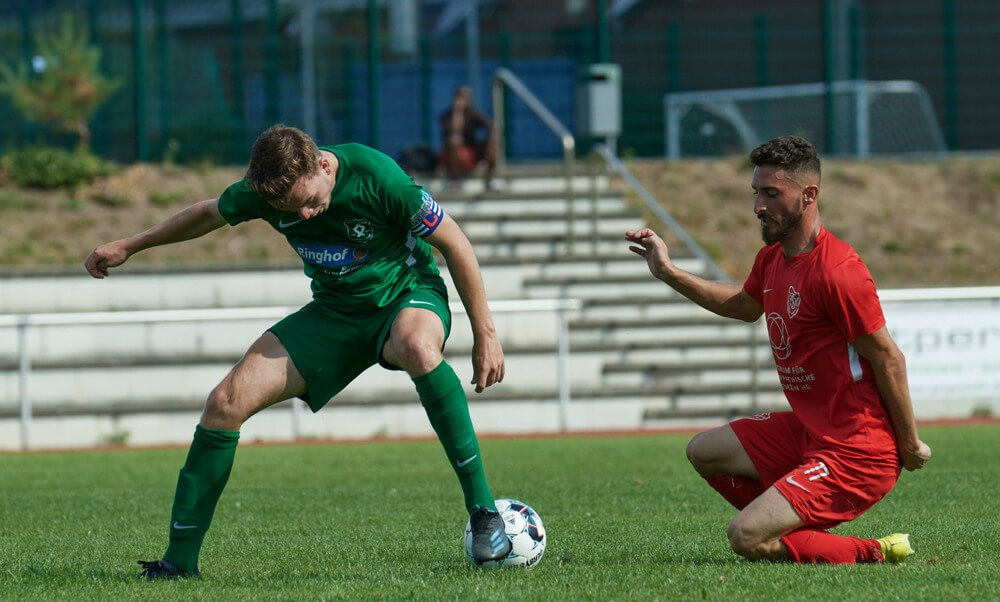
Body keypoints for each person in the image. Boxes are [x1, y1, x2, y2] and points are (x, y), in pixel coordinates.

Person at [84, 124, 513, 579]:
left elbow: (456, 243)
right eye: (291, 209)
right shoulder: (265, 192)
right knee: (224, 404)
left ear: (324, 165)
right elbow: (208, 214)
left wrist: (486, 334)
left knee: (416, 346)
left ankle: (484, 513)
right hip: (334, 311)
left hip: (406, 293)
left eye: (310, 201)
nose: (306, 216)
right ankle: (178, 563)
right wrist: (130, 245)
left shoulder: (379, 177)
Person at [625, 135, 931, 565]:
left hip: (857, 450)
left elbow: (887, 358)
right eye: (756, 193)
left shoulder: (838, 272)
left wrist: (911, 443)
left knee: (745, 537)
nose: (757, 206)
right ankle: (794, 529)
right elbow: (742, 306)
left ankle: (873, 550)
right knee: (704, 451)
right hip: (811, 434)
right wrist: (669, 272)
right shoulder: (772, 259)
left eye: (771, 193)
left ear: (809, 195)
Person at [438, 85, 496, 190]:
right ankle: (453, 180)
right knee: (455, 140)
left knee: (493, 139)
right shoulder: (447, 115)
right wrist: (458, 113)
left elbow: (490, 126)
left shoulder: (473, 113)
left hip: (472, 153)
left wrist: (492, 136)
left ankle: (489, 180)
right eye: (461, 97)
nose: (464, 100)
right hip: (453, 154)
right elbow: (452, 132)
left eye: (467, 97)